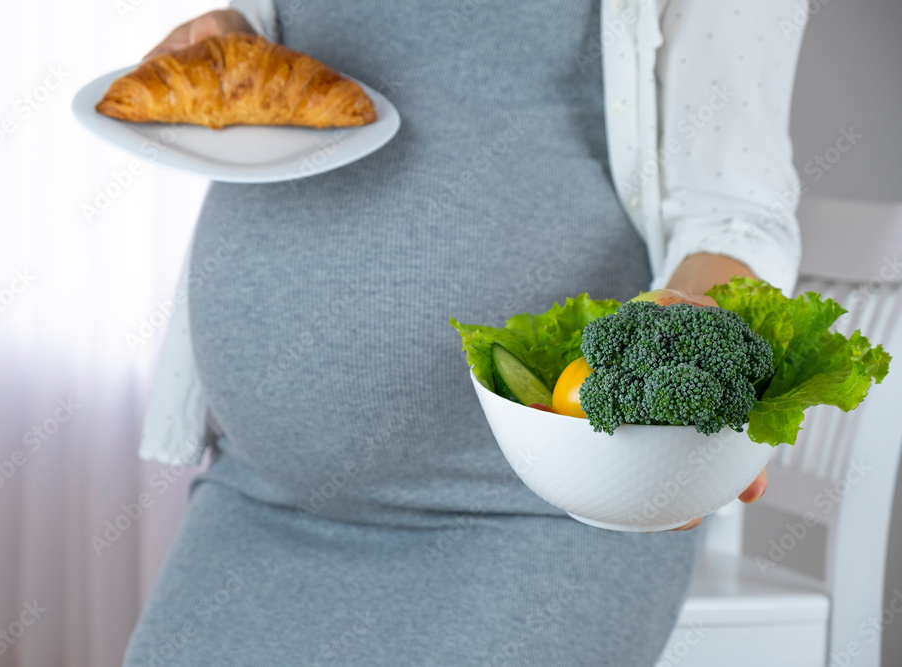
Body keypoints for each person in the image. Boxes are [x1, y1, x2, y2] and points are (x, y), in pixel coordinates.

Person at [123, 1, 806, 664]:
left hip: (542, 514)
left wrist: (702, 342)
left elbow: (734, 210)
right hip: (261, 494)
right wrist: (247, 38)